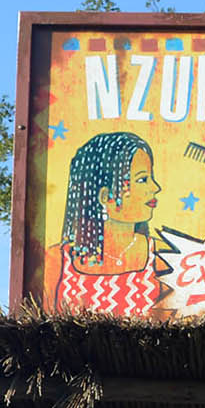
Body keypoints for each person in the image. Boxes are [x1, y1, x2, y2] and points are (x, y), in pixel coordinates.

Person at [54, 130, 162, 317]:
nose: (155, 187)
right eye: (142, 179)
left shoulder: (160, 256)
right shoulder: (57, 261)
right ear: (105, 196)